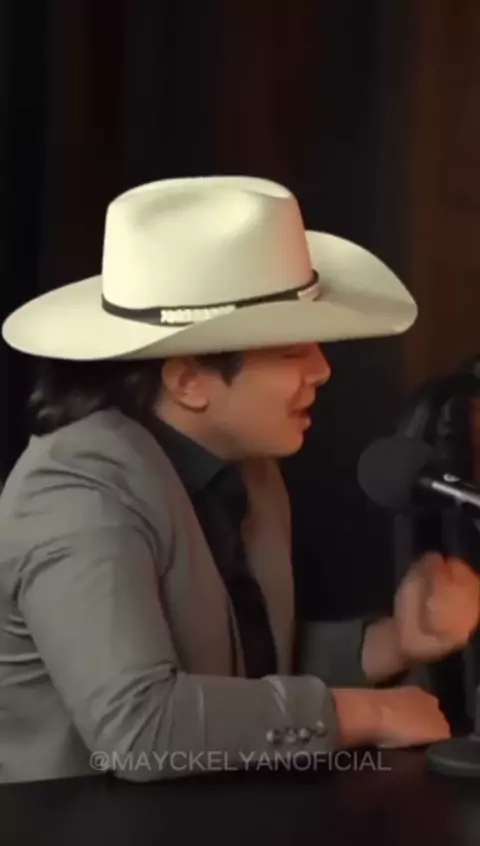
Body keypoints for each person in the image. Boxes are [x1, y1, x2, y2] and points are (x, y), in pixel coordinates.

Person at [0, 175, 478, 784]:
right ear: (187, 381)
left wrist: (393, 644)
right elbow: (140, 730)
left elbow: (239, 673)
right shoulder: (73, 494)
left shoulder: (249, 469)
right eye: (291, 352)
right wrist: (369, 712)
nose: (323, 370)